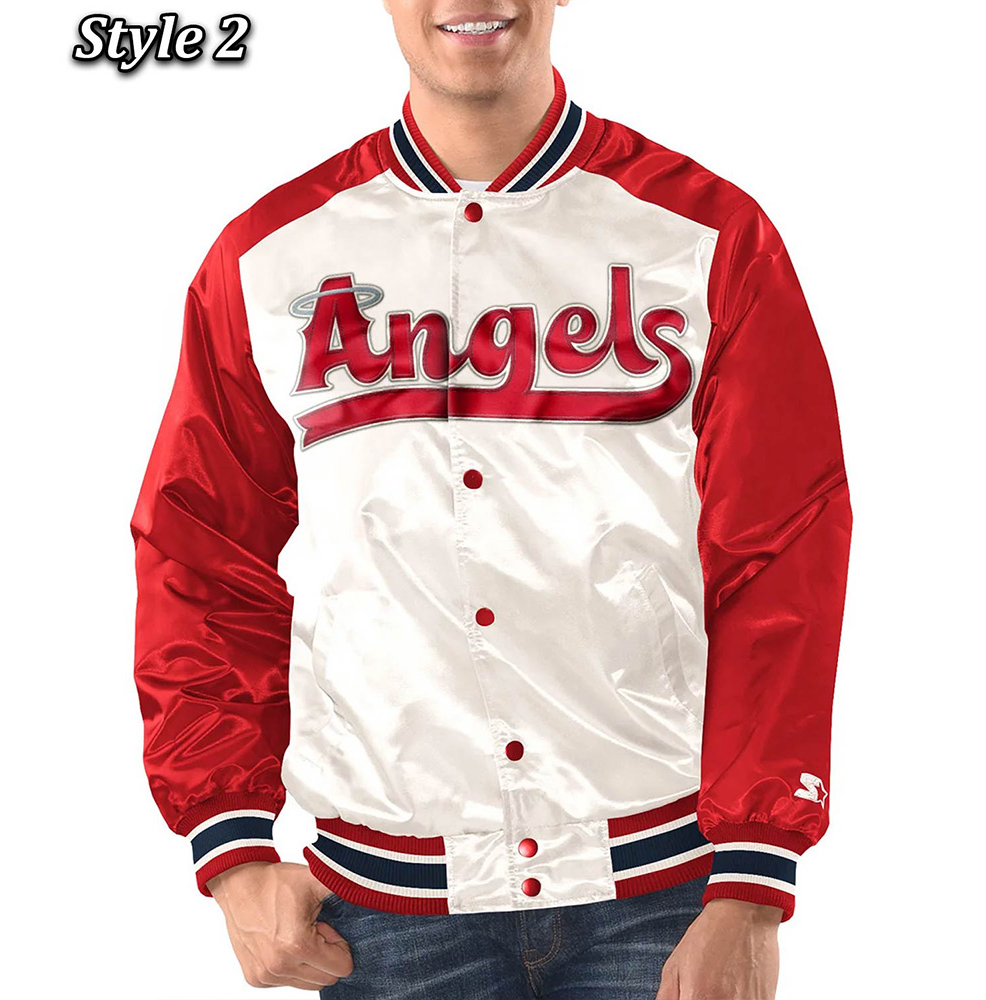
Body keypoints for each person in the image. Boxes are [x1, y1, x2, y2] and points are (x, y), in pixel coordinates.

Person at [131, 2, 852, 997]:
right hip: (381, 909)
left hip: (666, 894)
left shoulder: (705, 236)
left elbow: (781, 549)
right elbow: (201, 552)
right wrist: (231, 845)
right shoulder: (269, 257)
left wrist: (755, 878)